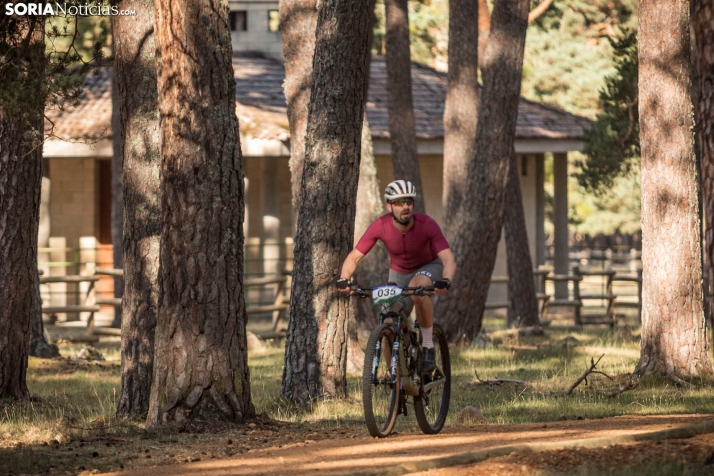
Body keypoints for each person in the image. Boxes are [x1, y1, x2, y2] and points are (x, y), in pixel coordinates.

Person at [337, 179, 456, 375]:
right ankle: (398, 386)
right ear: (389, 206)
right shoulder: (380, 226)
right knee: (387, 326)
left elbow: (449, 259)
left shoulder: (427, 225)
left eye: (409, 201)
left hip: (428, 267)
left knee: (418, 290)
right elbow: (355, 257)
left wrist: (446, 279)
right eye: (399, 202)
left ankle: (428, 347)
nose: (405, 206)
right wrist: (344, 278)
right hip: (399, 273)